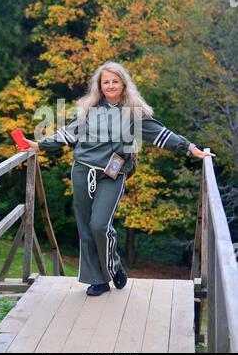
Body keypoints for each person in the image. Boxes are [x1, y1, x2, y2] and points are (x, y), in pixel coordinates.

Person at [16, 61, 216, 296]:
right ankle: (98, 280)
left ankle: (114, 265)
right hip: (82, 172)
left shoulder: (133, 113)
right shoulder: (89, 110)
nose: (110, 85)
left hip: (112, 175)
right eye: (106, 82)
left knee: (99, 225)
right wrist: (39, 145)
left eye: (115, 81)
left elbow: (161, 134)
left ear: (123, 84)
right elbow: (67, 134)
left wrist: (190, 147)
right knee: (86, 228)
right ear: (100, 86)